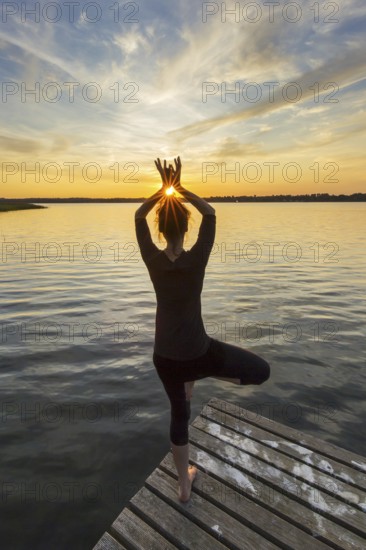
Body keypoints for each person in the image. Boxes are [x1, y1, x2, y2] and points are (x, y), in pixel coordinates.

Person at [135, 156, 270, 503]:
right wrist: (180, 190)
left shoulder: (152, 259)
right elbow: (210, 213)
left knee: (180, 415)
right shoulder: (198, 258)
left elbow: (138, 216)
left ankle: (183, 485)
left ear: (161, 231)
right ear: (187, 229)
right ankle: (203, 375)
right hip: (198, 353)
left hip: (164, 358)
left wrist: (161, 191)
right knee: (259, 371)